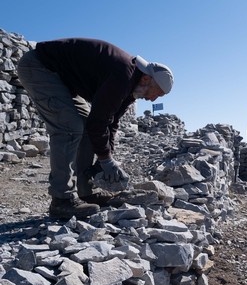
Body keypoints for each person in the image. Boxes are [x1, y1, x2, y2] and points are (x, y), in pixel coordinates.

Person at [17, 38, 173, 219]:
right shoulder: (123, 75)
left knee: (85, 127)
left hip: (62, 80)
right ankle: (61, 200)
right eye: (157, 93)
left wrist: (106, 158)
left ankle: (85, 192)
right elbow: (98, 122)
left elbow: (111, 121)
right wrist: (105, 160)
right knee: (70, 127)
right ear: (147, 78)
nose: (153, 100)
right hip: (40, 68)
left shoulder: (133, 85)